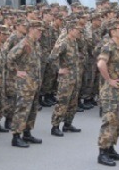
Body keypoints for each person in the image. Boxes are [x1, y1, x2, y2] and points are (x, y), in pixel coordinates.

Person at [96, 20, 119, 167]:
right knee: (109, 121)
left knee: (118, 121)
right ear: (113, 31)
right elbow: (101, 64)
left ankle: (110, 148)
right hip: (110, 92)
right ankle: (102, 152)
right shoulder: (108, 46)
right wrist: (108, 80)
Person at [7, 20, 43, 148]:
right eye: (38, 30)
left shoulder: (35, 44)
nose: (40, 33)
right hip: (25, 83)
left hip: (34, 82)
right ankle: (16, 136)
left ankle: (27, 133)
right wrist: (17, 71)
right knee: (22, 109)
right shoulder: (23, 43)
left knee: (32, 109)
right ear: (31, 29)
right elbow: (10, 58)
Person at [48, 20, 82, 137]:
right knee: (62, 102)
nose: (79, 32)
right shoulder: (64, 42)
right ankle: (55, 126)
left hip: (75, 77)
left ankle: (67, 124)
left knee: (73, 103)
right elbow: (52, 57)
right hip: (66, 79)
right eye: (77, 30)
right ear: (71, 30)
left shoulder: (74, 42)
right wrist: (59, 69)